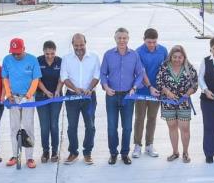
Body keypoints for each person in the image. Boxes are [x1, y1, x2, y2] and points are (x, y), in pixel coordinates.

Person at [101, 27, 145, 165]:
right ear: (115, 39)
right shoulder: (108, 55)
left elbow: (140, 73)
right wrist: (106, 87)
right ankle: (113, 154)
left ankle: (125, 153)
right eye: (119, 38)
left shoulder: (134, 55)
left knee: (127, 127)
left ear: (128, 39)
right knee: (112, 126)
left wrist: (134, 87)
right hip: (112, 95)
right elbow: (103, 74)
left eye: (124, 38)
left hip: (128, 96)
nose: (122, 40)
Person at [60, 33, 100, 165]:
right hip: (72, 96)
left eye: (81, 44)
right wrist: (76, 89)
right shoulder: (66, 58)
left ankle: (87, 153)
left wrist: (89, 88)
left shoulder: (94, 57)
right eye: (76, 45)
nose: (79, 47)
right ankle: (73, 152)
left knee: (90, 126)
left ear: (85, 43)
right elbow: (64, 77)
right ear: (72, 45)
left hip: (89, 97)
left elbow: (96, 75)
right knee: (72, 126)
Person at [1, 38, 42, 169]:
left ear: (24, 49)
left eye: (18, 53)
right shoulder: (7, 60)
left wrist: (28, 95)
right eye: (13, 53)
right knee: (14, 127)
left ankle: (29, 157)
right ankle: (15, 155)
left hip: (27, 99)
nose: (16, 55)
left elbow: (35, 80)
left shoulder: (32, 60)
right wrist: (8, 94)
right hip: (13, 98)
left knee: (28, 127)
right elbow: (5, 78)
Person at [156, 45, 198, 163]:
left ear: (184, 57)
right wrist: (167, 92)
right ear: (170, 57)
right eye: (175, 57)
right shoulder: (164, 67)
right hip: (168, 103)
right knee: (172, 127)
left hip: (183, 103)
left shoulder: (189, 68)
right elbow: (159, 82)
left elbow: (194, 85)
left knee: (185, 128)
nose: (177, 59)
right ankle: (175, 152)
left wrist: (187, 94)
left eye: (180, 57)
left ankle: (185, 152)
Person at [133, 28, 167, 159]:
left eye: (154, 42)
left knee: (152, 118)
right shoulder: (138, 52)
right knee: (139, 118)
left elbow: (165, 69)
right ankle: (137, 145)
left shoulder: (163, 50)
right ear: (144, 40)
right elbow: (141, 71)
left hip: (156, 92)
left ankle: (149, 145)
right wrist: (150, 86)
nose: (152, 45)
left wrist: (162, 87)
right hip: (142, 90)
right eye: (149, 42)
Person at [37, 41, 63, 163]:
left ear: (55, 51)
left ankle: (54, 151)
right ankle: (45, 151)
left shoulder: (60, 61)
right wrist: (46, 92)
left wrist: (57, 90)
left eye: (52, 53)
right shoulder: (38, 61)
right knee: (44, 125)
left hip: (56, 97)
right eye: (47, 53)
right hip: (42, 96)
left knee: (54, 124)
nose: (50, 56)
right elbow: (37, 79)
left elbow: (61, 78)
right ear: (43, 51)